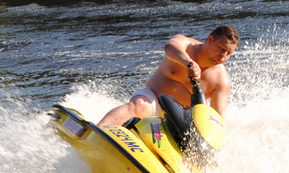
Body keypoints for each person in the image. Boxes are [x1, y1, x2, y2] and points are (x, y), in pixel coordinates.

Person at [98, 26, 239, 127]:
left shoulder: (221, 80)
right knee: (140, 106)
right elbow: (169, 47)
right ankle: (99, 130)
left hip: (182, 120)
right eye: (221, 49)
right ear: (210, 39)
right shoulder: (186, 45)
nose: (223, 56)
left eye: (228, 53)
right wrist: (188, 63)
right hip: (153, 101)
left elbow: (217, 119)